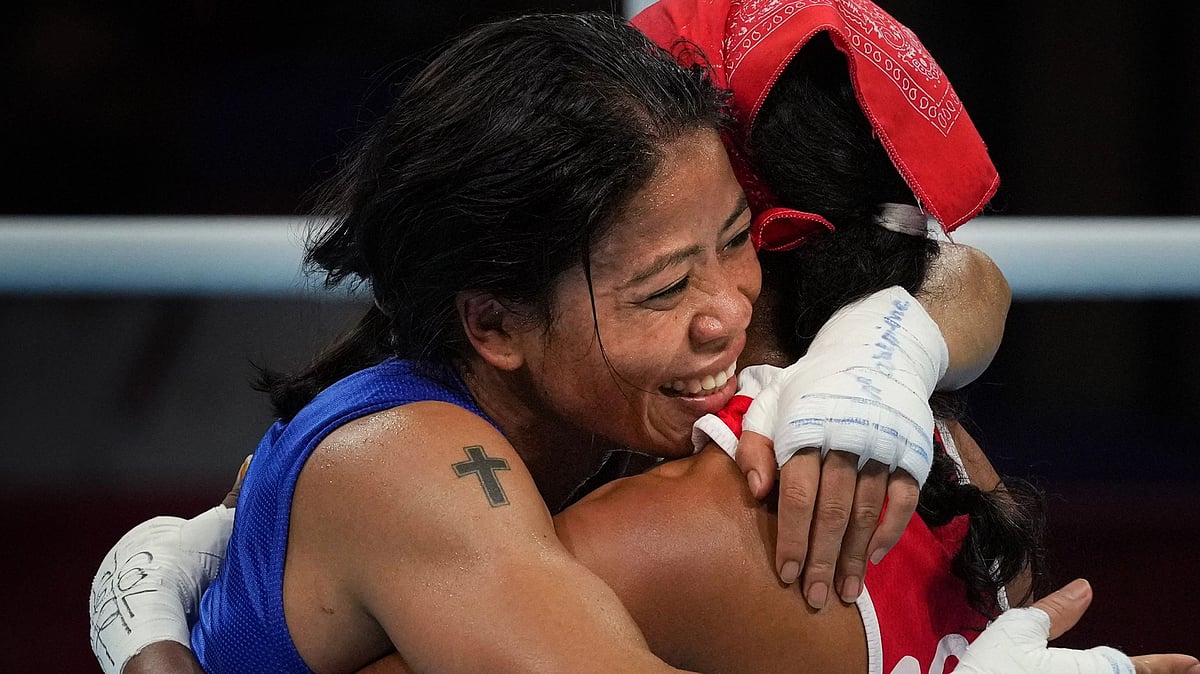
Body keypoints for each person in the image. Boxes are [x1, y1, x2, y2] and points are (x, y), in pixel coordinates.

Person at [90, 5, 1198, 673]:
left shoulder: (645, 414)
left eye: (738, 242)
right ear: (495, 322)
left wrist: (889, 344)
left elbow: (956, 273)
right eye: (665, 285)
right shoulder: (415, 470)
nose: (722, 308)